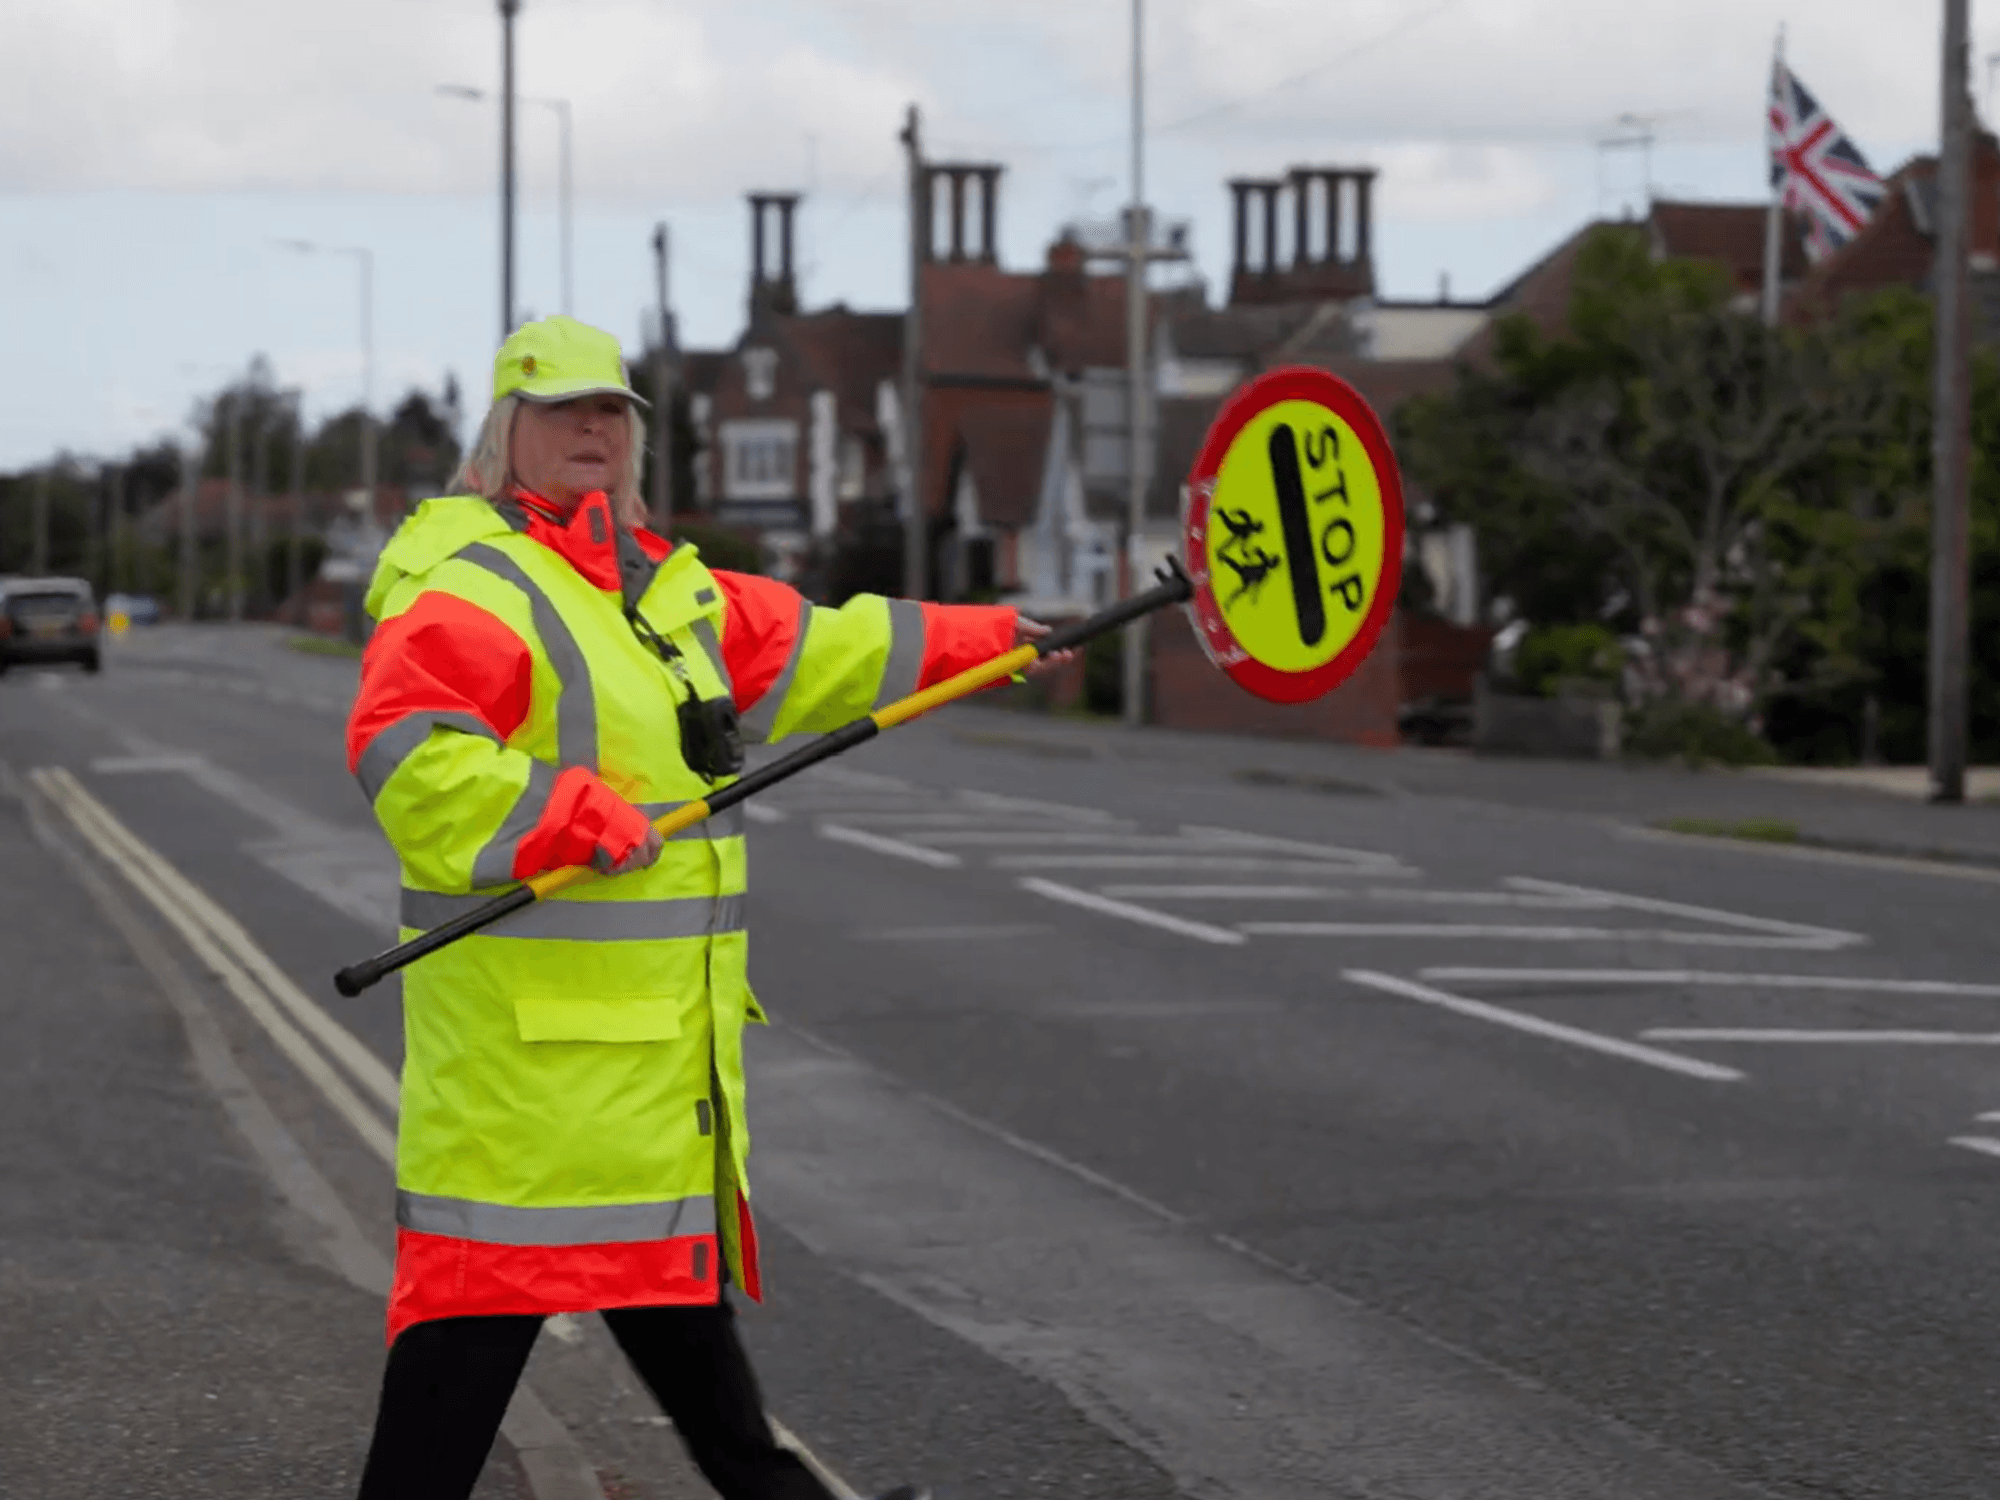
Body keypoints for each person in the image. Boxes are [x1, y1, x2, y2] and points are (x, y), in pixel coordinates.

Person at [345, 315, 1064, 1500]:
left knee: (666, 1304)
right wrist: (562, 812)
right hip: (526, 1083)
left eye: (611, 411)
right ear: (505, 432)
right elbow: (410, 758)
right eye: (563, 408)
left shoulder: (663, 591)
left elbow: (828, 648)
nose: (592, 426)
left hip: (643, 1070)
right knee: (473, 1339)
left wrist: (991, 638)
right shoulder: (467, 584)